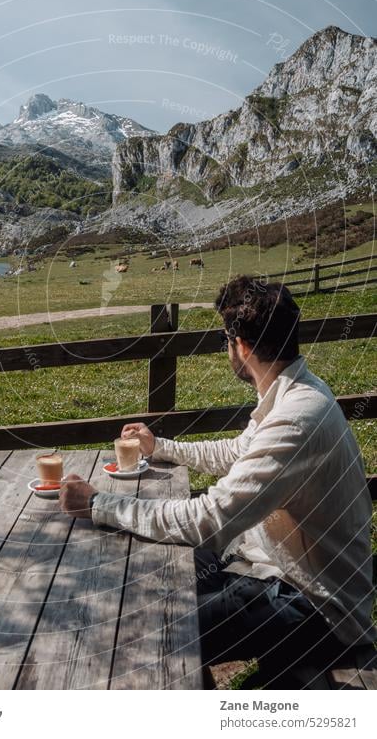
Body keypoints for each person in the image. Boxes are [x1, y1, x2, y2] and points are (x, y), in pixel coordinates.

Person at [59, 275, 375, 674]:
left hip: (314, 606)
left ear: (240, 345)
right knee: (146, 572)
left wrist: (98, 503)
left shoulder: (296, 419)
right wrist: (161, 448)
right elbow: (238, 452)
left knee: (150, 631)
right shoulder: (294, 394)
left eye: (225, 340)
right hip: (268, 566)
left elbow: (210, 521)